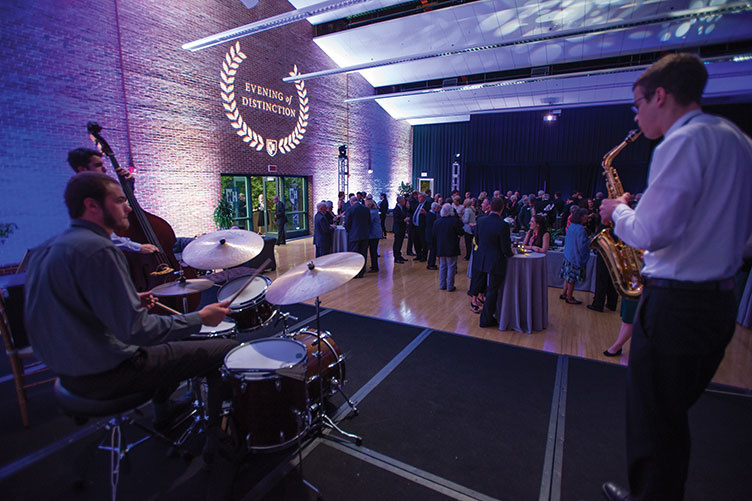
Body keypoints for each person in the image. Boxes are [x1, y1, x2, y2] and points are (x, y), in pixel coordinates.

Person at [599, 53, 752, 501]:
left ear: (660, 96)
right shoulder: (740, 142)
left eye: (637, 104)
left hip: (675, 305)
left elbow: (652, 232)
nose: (637, 115)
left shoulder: (681, 142)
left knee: (653, 418)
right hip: (717, 301)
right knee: (671, 415)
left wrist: (618, 211)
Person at [24, 172, 236, 448]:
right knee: (224, 348)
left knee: (171, 343)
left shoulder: (46, 248)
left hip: (66, 372)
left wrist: (130, 298)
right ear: (92, 206)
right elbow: (138, 331)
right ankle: (216, 441)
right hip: (106, 374)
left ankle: (165, 413)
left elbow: (67, 305)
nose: (129, 207)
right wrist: (201, 318)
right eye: (121, 200)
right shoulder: (100, 248)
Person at [67, 148, 159, 255]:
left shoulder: (98, 189)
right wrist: (137, 247)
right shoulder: (84, 193)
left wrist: (128, 185)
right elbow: (105, 235)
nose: (104, 169)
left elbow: (124, 205)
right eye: (98, 165)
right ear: (82, 169)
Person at [475, 197, 513, 328]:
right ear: (502, 208)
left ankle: (486, 315)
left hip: (481, 258)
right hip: (495, 261)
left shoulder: (480, 220)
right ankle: (485, 319)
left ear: (490, 207)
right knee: (492, 290)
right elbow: (505, 249)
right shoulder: (503, 225)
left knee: (485, 288)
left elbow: (478, 240)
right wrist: (511, 254)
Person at [559, 207, 589, 305]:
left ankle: (563, 293)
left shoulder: (571, 226)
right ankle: (569, 297)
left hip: (568, 255)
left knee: (567, 277)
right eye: (585, 217)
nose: (587, 218)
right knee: (571, 279)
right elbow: (582, 245)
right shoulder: (581, 229)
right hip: (575, 257)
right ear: (581, 217)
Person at [434, 203, 464, 291]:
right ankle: (450, 286)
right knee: (451, 266)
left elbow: (434, 235)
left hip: (441, 246)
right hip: (452, 246)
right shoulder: (455, 221)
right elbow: (461, 232)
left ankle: (442, 285)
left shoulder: (437, 222)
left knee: (442, 266)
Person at [344, 196, 370, 278]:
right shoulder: (366, 209)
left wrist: (348, 231)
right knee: (363, 254)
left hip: (354, 235)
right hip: (365, 235)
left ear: (351, 202)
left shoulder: (350, 209)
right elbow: (369, 222)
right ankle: (362, 272)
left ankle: (355, 273)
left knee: (354, 254)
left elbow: (347, 223)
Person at [410, 193, 430, 262]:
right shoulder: (417, 204)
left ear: (424, 198)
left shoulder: (427, 204)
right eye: (418, 198)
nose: (418, 199)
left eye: (420, 197)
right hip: (415, 227)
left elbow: (430, 216)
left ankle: (424, 256)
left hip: (422, 227)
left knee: (423, 242)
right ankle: (418, 255)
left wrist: (425, 213)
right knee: (416, 242)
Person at [366, 199, 382, 272]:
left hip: (373, 234)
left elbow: (369, 222)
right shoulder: (375, 212)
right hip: (376, 233)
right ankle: (374, 266)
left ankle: (375, 267)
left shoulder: (371, 213)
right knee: (373, 250)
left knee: (373, 251)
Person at [424, 202, 440, 270]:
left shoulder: (429, 214)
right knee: (433, 250)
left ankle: (431, 263)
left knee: (433, 250)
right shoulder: (431, 215)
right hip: (431, 235)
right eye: (437, 208)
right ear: (434, 208)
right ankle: (431, 264)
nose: (438, 209)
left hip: (430, 234)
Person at [392, 196, 408, 264]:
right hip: (398, 228)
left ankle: (399, 255)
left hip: (402, 228)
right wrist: (404, 220)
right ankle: (396, 257)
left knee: (400, 242)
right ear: (400, 202)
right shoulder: (396, 209)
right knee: (397, 243)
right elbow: (396, 220)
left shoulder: (402, 208)